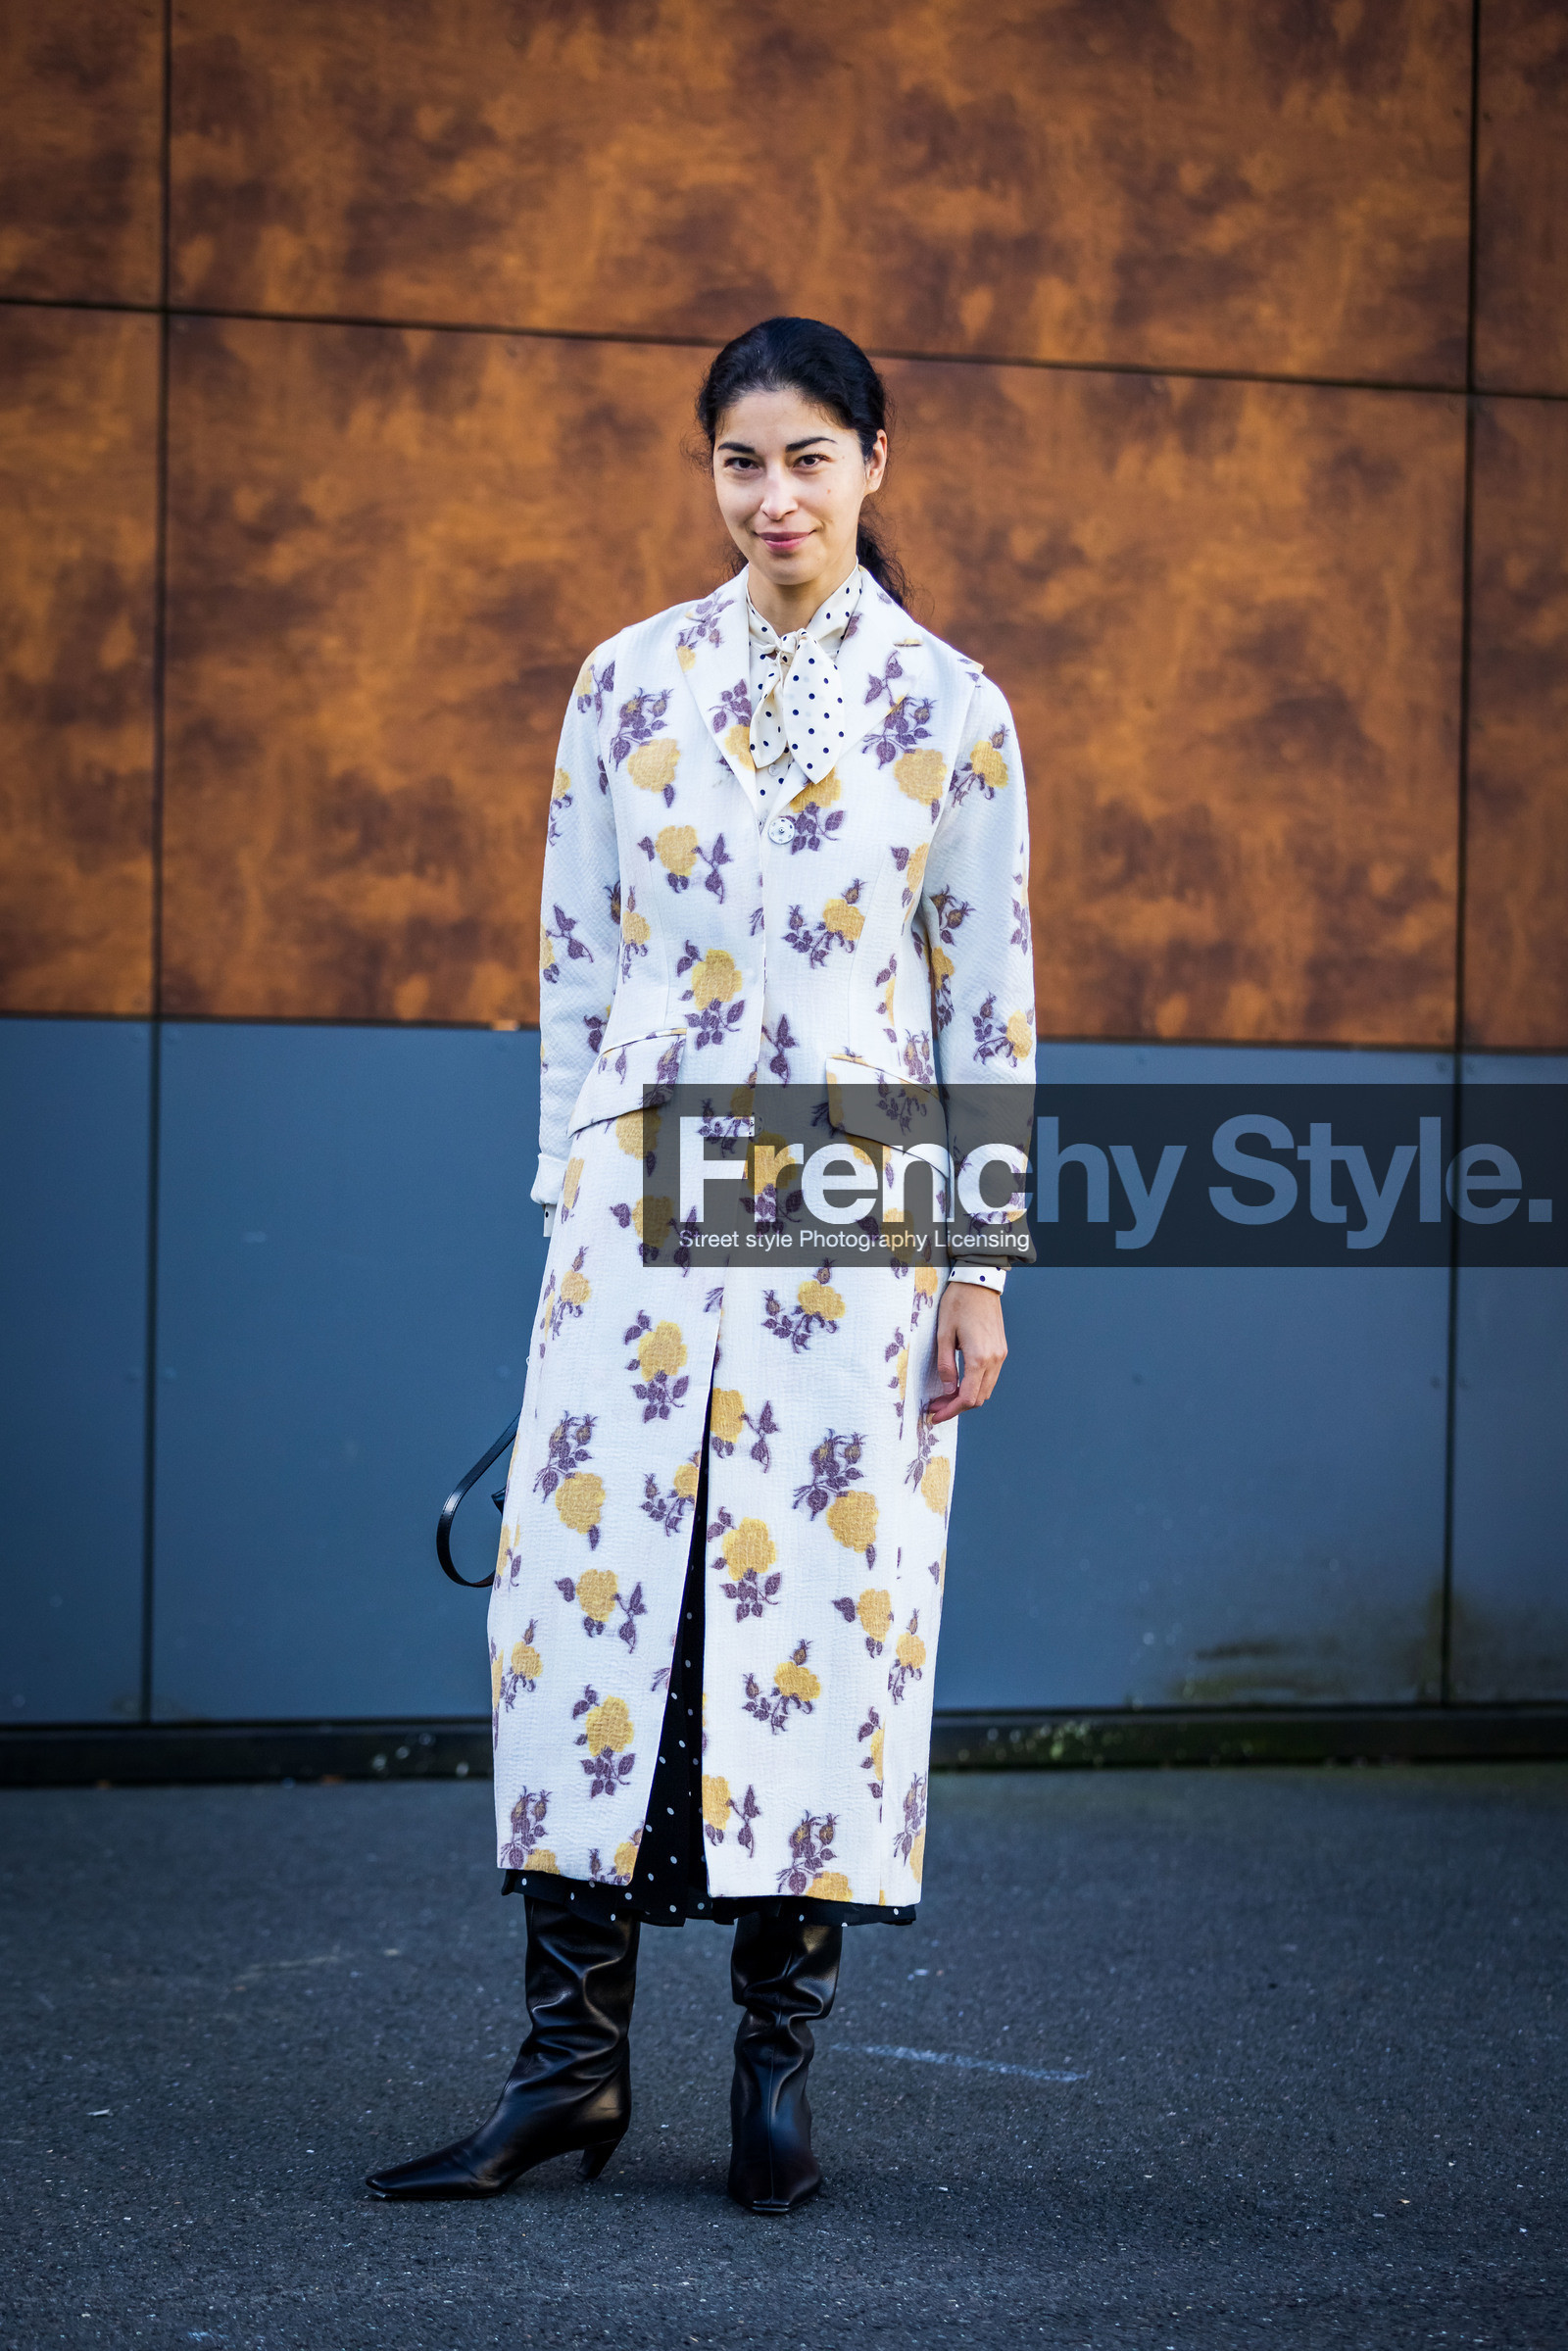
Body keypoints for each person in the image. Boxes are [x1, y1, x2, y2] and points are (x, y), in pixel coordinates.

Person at [367, 317, 1035, 2215]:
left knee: (811, 1619)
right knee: (592, 1619)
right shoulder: (624, 684)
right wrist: (571, 1185)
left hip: (847, 1218)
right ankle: (564, 2076)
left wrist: (978, 1268)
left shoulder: (951, 708)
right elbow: (574, 961)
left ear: (875, 466)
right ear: (708, 475)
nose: (773, 498)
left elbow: (983, 1005)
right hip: (638, 1218)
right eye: (739, 462)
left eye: (809, 458)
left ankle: (772, 2081)